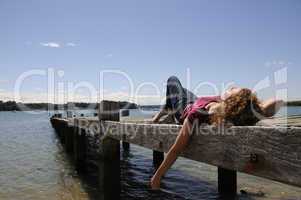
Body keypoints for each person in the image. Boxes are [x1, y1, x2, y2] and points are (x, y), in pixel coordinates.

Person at [150, 76, 283, 189]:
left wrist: (158, 175)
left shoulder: (197, 113)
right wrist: (259, 107)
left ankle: (166, 112)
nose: (230, 87)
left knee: (172, 80)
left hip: (183, 106)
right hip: (196, 100)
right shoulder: (231, 111)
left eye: (232, 90)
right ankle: (165, 112)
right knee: (182, 90)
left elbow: (176, 149)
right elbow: (279, 102)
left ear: (230, 102)